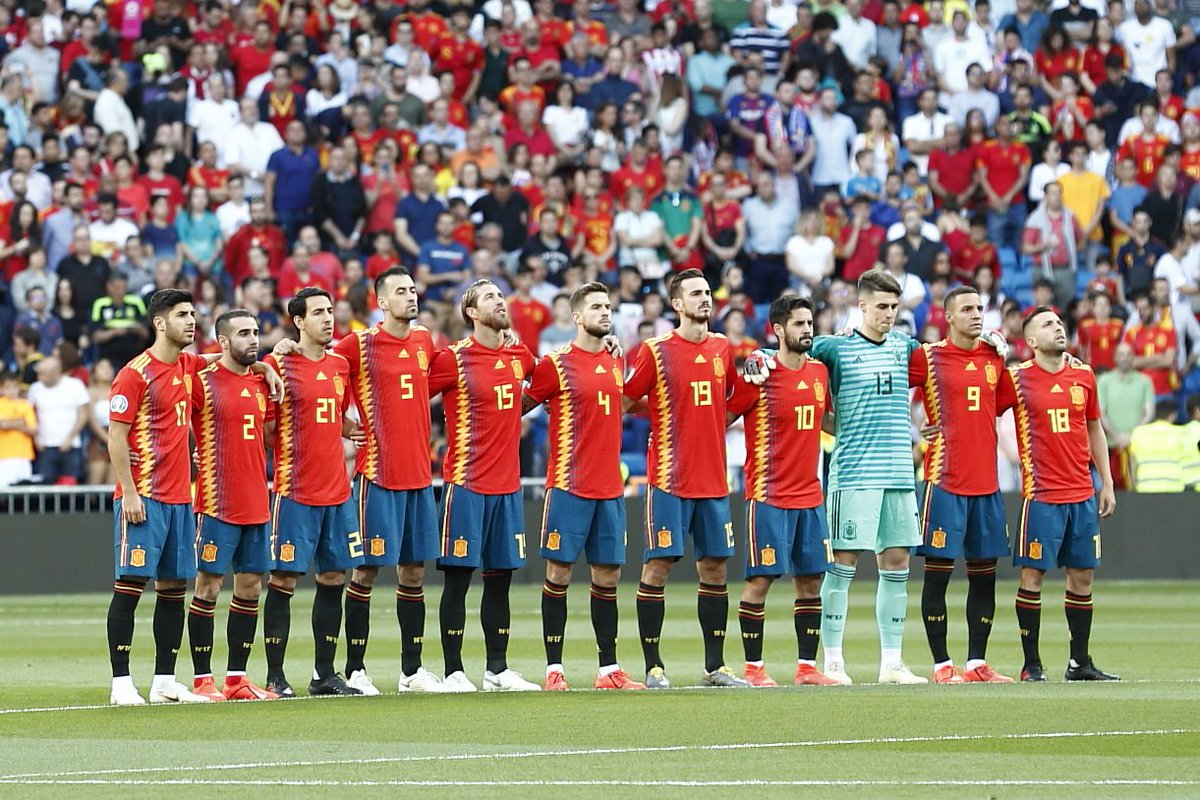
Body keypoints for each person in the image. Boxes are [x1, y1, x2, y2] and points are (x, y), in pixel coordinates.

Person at [622, 269, 749, 689]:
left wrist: (753, 380)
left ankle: (716, 666)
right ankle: (654, 666)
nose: (705, 299)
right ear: (676, 304)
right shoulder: (655, 350)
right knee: (657, 567)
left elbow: (728, 406)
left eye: (708, 292)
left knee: (714, 569)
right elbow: (625, 398)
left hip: (713, 480)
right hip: (669, 479)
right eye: (696, 293)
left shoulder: (721, 347)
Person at [523, 283, 646, 691]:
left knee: (607, 576)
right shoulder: (555, 363)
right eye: (596, 306)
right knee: (558, 573)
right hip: (569, 485)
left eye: (608, 306)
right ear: (576, 316)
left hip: (609, 487)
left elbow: (627, 402)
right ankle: (553, 669)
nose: (605, 312)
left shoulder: (615, 359)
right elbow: (519, 407)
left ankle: (608, 670)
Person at [331, 268, 446, 694]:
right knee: (365, 571)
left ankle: (411, 671)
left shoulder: (423, 341)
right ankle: (356, 669)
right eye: (400, 291)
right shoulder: (358, 344)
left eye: (413, 289)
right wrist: (344, 425)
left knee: (413, 573)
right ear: (381, 301)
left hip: (419, 476)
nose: (410, 296)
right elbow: (319, 370)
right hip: (378, 475)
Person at [428, 279, 541, 692]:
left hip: (507, 487)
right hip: (466, 483)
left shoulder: (518, 354)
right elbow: (410, 397)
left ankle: (497, 669)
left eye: (501, 296)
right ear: (472, 312)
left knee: (500, 579)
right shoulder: (453, 358)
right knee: (458, 578)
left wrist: (611, 349)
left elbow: (548, 380)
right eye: (490, 297)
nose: (500, 301)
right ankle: (454, 670)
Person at [725, 296, 837, 687]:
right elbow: (723, 416)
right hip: (768, 494)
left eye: (810, 323)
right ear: (778, 330)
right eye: (799, 324)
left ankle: (807, 668)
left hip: (810, 495)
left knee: (810, 581)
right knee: (761, 581)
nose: (807, 330)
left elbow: (828, 423)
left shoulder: (820, 372)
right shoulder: (760, 373)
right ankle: (754, 668)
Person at [105, 290, 208, 705]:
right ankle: (121, 682)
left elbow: (222, 360)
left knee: (172, 588)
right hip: (144, 497)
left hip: (179, 498)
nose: (191, 321)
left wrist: (269, 364)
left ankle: (164, 680)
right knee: (130, 585)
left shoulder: (187, 365)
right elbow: (116, 435)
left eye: (194, 314)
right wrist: (128, 491)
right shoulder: (135, 374)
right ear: (159, 323)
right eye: (182, 314)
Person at [910, 287, 1017, 684]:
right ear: (948, 316)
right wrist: (913, 427)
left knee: (984, 575)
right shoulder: (928, 357)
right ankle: (941, 665)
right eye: (967, 309)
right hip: (945, 480)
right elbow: (886, 388)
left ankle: (976, 664)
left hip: (986, 484)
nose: (976, 315)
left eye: (979, 308)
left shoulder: (994, 357)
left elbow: (999, 404)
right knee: (937, 574)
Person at [261, 287, 364, 698]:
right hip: (295, 490)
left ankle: (325, 674)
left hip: (338, 491)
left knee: (334, 577)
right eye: (318, 312)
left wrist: (342, 429)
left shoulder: (340, 365)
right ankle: (275, 676)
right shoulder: (277, 364)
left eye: (330, 311)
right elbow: (268, 429)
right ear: (299, 321)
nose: (328, 318)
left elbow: (334, 414)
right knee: (283, 579)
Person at [1006, 306, 1119, 682]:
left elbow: (1094, 428)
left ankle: (1079, 662)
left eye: (1059, 322)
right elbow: (978, 408)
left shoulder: (1084, 374)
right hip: (1041, 495)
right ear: (1031, 341)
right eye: (1047, 325)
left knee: (1082, 576)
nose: (1058, 328)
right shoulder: (1016, 378)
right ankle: (1031, 664)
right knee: (1032, 577)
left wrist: (1106, 480)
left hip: (1082, 493)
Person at [185, 310, 278, 701]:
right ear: (222, 341)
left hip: (257, 498)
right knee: (208, 586)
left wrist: (263, 367)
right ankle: (203, 679)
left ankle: (237, 679)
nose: (253, 339)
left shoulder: (261, 381)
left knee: (251, 587)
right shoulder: (200, 381)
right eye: (243, 333)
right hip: (216, 501)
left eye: (255, 332)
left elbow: (271, 435)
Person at [27, 356, 90, 485]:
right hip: (45, 446)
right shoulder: (35, 388)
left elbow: (84, 413)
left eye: (43, 374)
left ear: (55, 372)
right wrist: (36, 438)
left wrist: (71, 437)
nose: (39, 377)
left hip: (71, 445)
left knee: (70, 485)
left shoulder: (74, 385)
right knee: (46, 484)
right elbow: (30, 415)